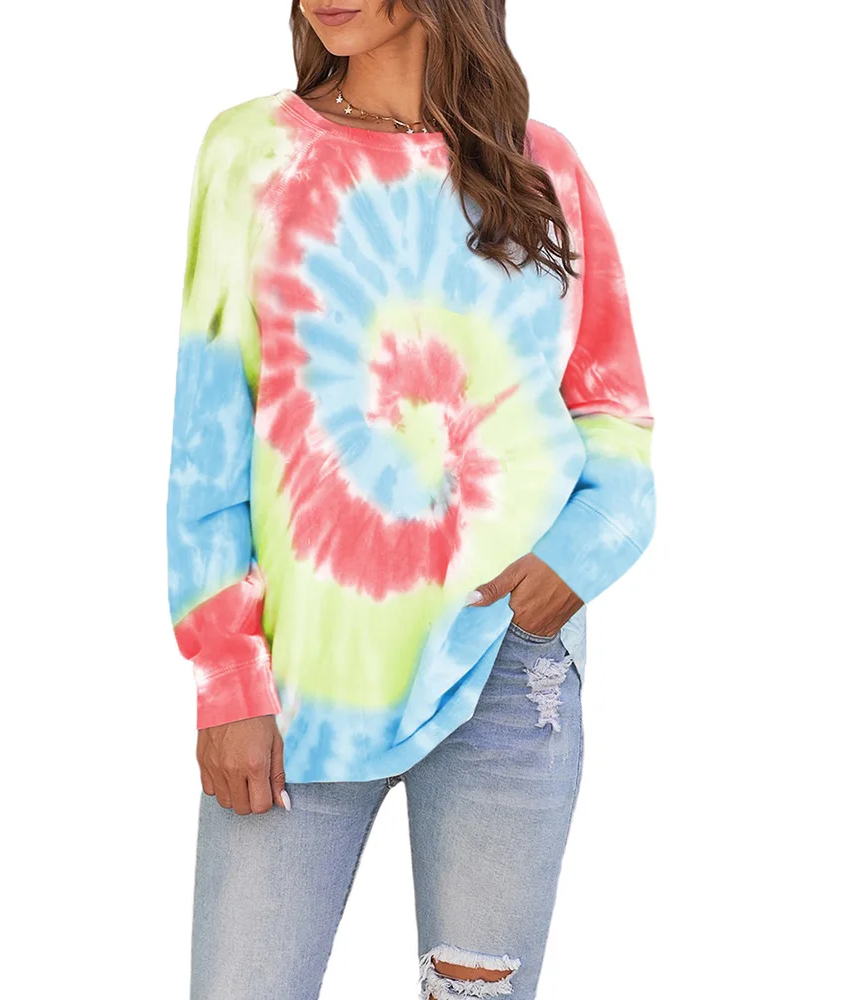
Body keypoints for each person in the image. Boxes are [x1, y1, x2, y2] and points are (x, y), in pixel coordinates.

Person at [166, 1, 655, 996]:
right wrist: (227, 679)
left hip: (507, 666)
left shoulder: (542, 170)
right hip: (305, 683)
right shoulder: (252, 155)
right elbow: (206, 442)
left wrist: (577, 556)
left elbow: (614, 417)